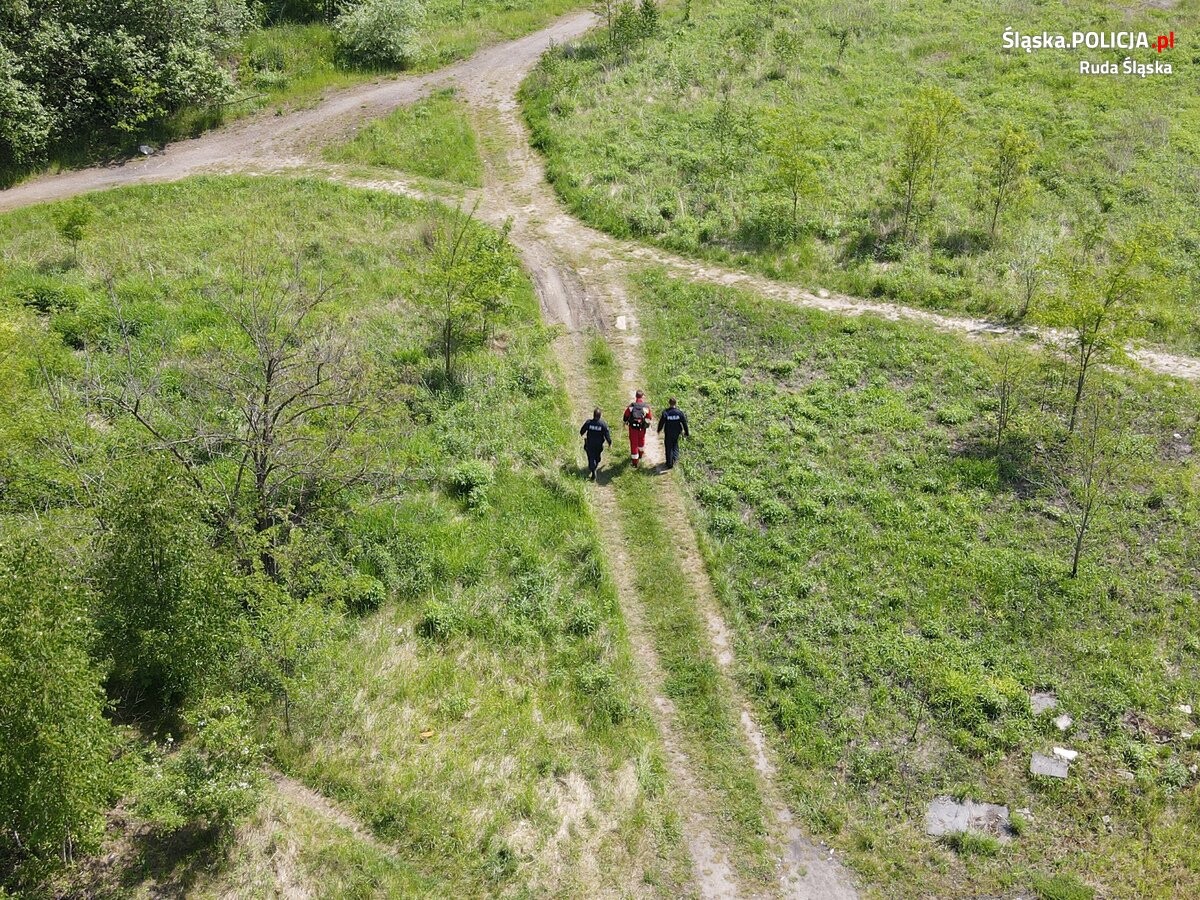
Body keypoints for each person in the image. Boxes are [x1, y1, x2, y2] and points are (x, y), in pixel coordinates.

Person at [622, 390, 653, 467]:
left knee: (634, 443)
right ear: (642, 397)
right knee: (641, 440)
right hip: (642, 428)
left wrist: (625, 421)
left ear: (636, 396)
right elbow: (649, 417)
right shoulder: (646, 406)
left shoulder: (632, 406)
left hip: (632, 428)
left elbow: (625, 415)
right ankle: (641, 454)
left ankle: (635, 462)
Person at [580, 407, 612, 480]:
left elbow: (582, 431)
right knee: (597, 456)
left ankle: (593, 469)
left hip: (590, 443)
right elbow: (607, 435)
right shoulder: (603, 424)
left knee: (591, 457)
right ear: (600, 416)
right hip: (599, 445)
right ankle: (594, 467)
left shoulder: (589, 422)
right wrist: (610, 443)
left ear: (593, 415)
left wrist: (582, 434)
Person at [657, 397, 690, 469]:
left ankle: (669, 463)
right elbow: (684, 423)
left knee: (668, 446)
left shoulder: (666, 412)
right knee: (675, 445)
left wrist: (659, 430)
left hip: (668, 432)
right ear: (676, 403)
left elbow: (661, 422)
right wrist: (687, 433)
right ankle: (675, 459)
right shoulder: (679, 413)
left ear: (669, 403)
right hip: (676, 432)